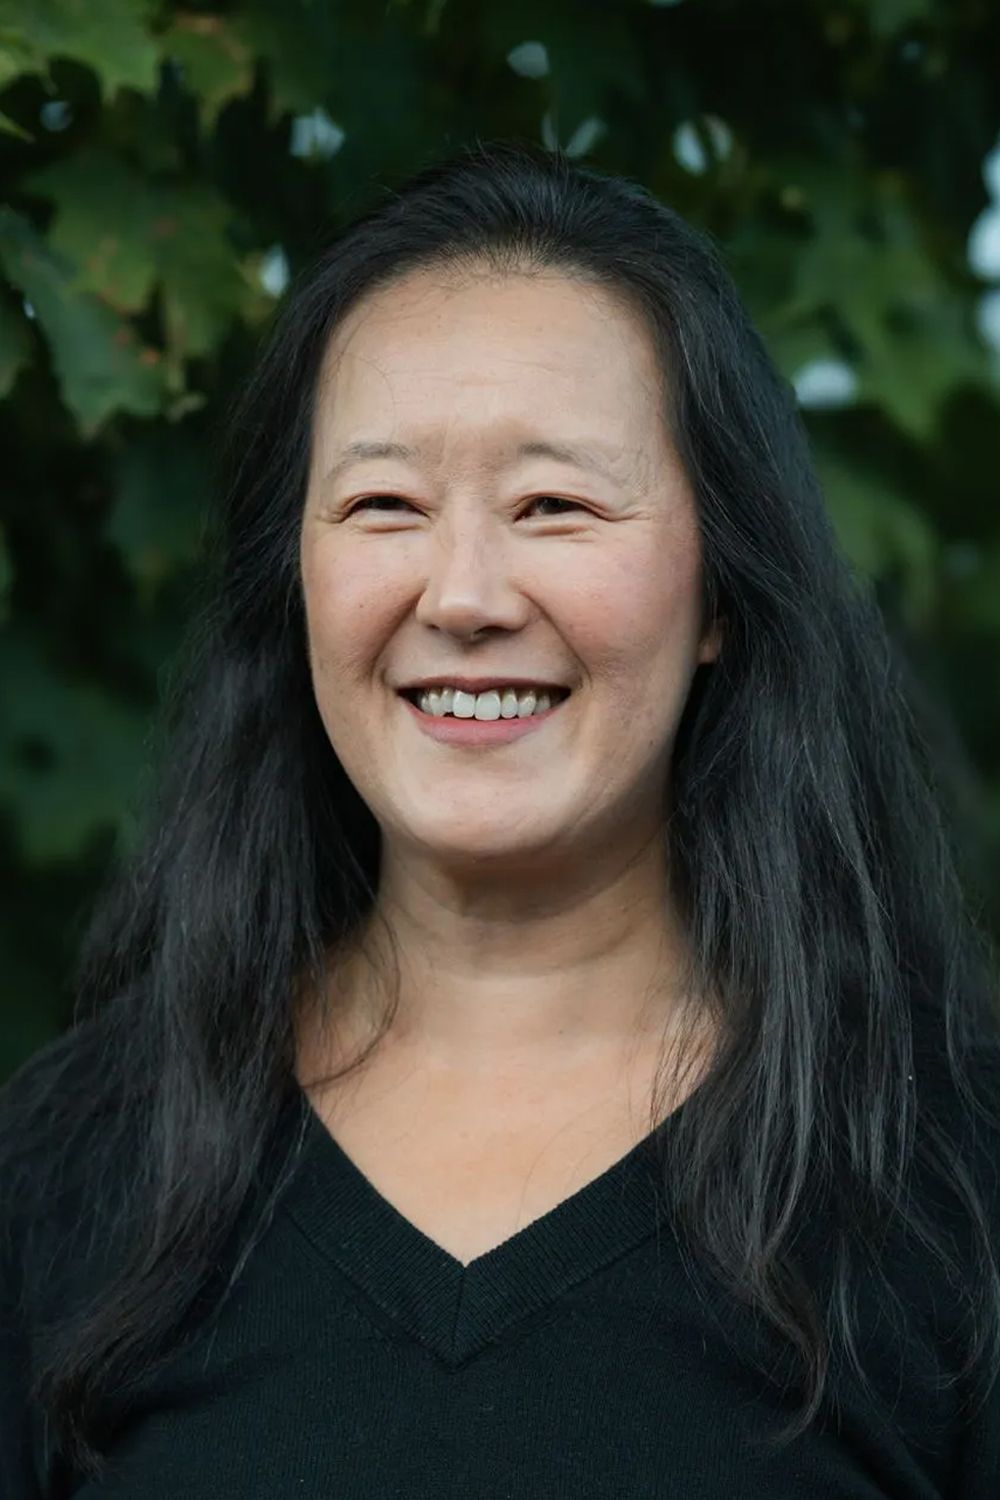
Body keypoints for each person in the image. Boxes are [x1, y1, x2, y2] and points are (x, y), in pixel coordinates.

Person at [2, 137, 999, 1498]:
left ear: (720, 589)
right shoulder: (67, 1176)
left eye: (553, 504)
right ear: (293, 580)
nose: (462, 594)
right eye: (384, 505)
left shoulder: (953, 1181)